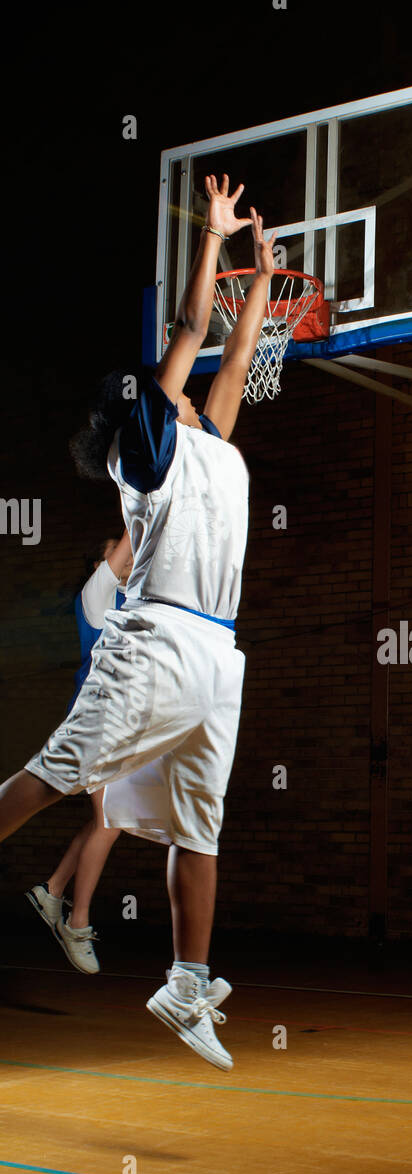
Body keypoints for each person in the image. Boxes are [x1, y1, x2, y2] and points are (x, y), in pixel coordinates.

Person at [0, 175, 275, 1070]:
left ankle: (187, 982)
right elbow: (195, 337)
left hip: (215, 654)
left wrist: (263, 276)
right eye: (171, 388)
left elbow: (233, 361)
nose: (191, 390)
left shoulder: (212, 444)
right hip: (154, 641)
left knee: (201, 827)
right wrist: (210, 239)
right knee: (54, 773)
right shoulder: (143, 448)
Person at [26, 533, 133, 973]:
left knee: (105, 820)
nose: (123, 554)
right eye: (112, 549)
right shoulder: (97, 594)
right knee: (110, 821)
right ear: (98, 564)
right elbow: (132, 543)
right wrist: (145, 497)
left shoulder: (132, 598)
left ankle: (51, 891)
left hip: (123, 727)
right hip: (94, 722)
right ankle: (77, 922)